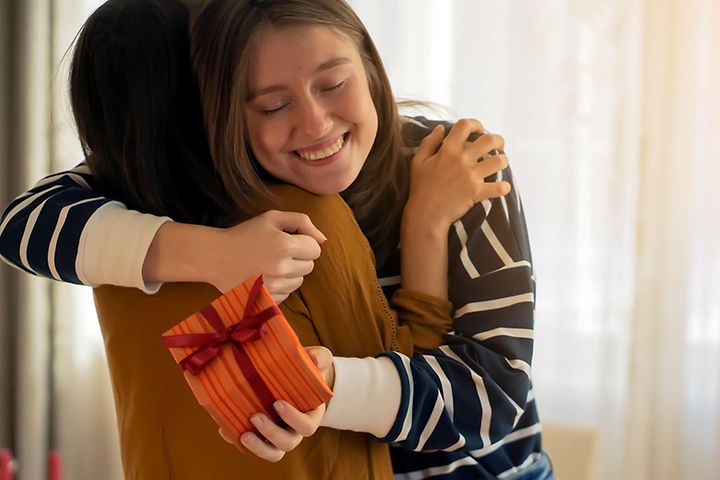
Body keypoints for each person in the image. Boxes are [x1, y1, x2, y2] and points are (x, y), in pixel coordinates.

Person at [0, 0, 549, 479]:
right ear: (221, 114)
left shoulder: (451, 165)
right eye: (271, 105)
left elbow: (492, 401)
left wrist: (423, 227)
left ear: (372, 69)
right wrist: (214, 253)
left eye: (334, 84)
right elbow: (23, 223)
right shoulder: (212, 181)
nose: (314, 125)